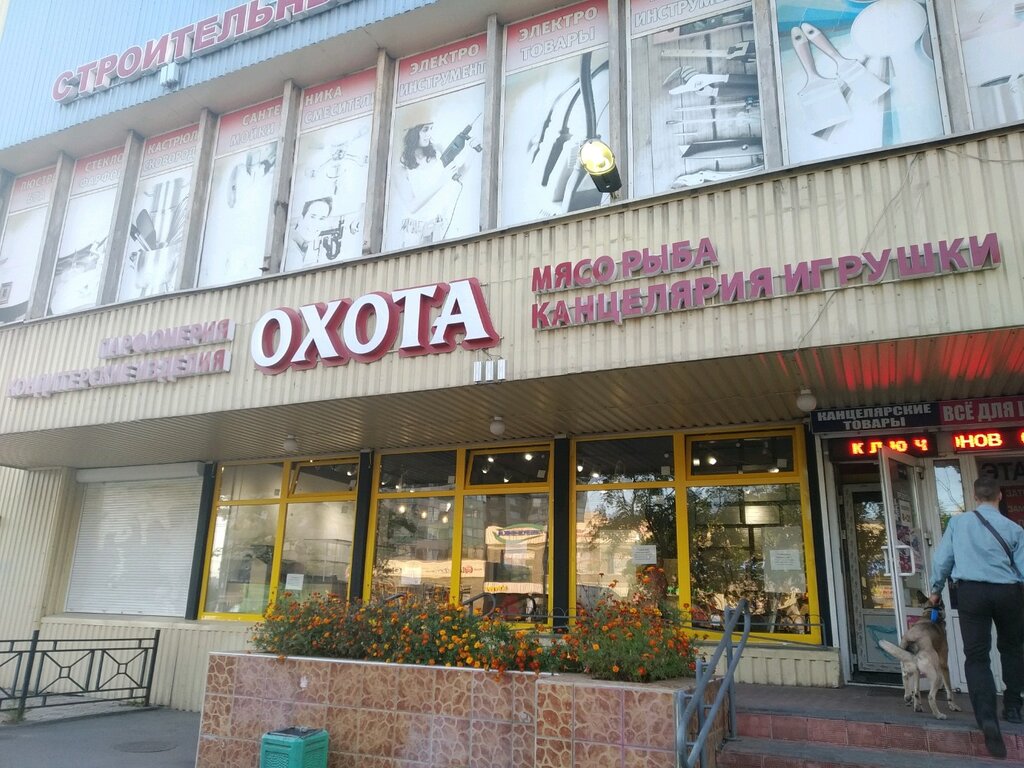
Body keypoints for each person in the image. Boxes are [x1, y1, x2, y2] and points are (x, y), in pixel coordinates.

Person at [928, 476, 1024, 759]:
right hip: (1008, 593)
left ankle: (987, 718)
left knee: (977, 656)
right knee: (1013, 648)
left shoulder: (958, 524)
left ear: (975, 496)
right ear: (1000, 496)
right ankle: (1013, 708)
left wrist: (935, 590)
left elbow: (943, 559)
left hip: (971, 593)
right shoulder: (1014, 529)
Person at [392, 122, 475, 248]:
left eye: (431, 128)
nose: (429, 134)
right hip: (416, 234)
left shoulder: (438, 151)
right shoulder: (401, 167)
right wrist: (441, 181)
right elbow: (412, 206)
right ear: (413, 132)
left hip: (439, 227)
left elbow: (457, 175)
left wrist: (473, 150)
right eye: (425, 130)